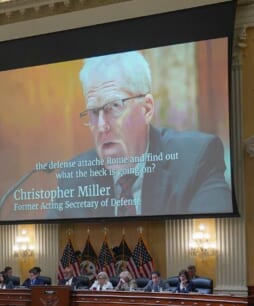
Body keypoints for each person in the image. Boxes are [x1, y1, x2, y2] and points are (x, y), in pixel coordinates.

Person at [52, 50, 231, 218]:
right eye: (93, 112)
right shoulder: (75, 174)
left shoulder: (195, 159)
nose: (101, 125)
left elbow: (216, 231)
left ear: (146, 109)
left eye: (114, 107)